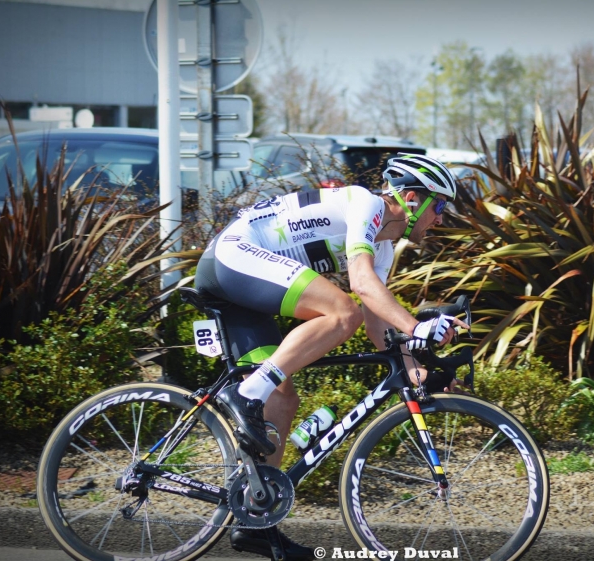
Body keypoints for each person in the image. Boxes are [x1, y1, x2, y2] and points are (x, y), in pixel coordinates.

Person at [193, 153, 468, 559]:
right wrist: (417, 327)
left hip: (244, 290)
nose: (441, 218)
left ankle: (253, 519)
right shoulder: (367, 205)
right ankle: (246, 394)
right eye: (440, 206)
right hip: (234, 256)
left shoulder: (385, 247)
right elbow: (360, 284)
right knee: (342, 312)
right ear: (412, 199)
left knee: (282, 397)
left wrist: (419, 372)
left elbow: (379, 327)